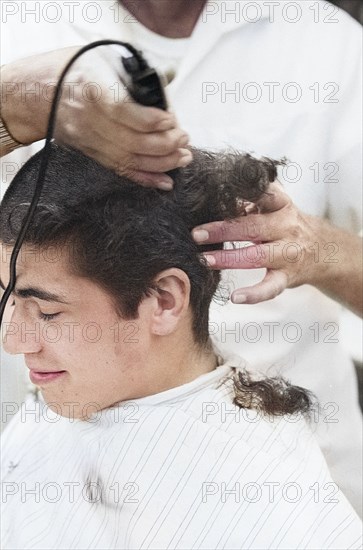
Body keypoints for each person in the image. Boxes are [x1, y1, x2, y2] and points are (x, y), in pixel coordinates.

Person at [0, 0, 362, 514]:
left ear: (166, 300)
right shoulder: (19, 26)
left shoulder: (329, 46)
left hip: (289, 488)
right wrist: (10, 110)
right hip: (74, 486)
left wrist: (324, 250)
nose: (13, 339)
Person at [0, 143, 362, 549]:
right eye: (7, 298)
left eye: (47, 313)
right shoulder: (58, 402)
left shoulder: (265, 500)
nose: (12, 341)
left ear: (165, 301)